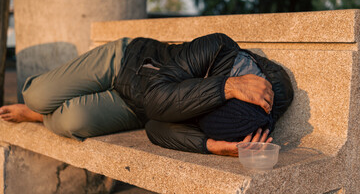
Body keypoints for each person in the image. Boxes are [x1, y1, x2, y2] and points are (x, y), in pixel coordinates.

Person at [0, 33, 293, 156]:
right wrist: (225, 88)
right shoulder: (217, 48)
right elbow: (157, 96)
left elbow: (155, 127)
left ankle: (40, 117)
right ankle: (37, 106)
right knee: (37, 95)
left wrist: (211, 145)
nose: (198, 119)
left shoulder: (262, 111)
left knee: (71, 122)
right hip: (125, 63)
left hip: (134, 108)